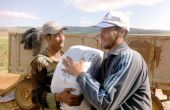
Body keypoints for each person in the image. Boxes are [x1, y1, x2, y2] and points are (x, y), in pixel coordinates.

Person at [63, 12, 152, 110]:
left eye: (106, 30)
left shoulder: (128, 58)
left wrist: (80, 74)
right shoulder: (109, 56)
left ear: (122, 32)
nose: (101, 34)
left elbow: (105, 102)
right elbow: (99, 88)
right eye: (101, 30)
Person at [31, 21, 82, 110]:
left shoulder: (65, 56)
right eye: (57, 35)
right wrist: (59, 97)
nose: (62, 39)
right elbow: (36, 96)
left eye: (62, 34)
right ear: (47, 37)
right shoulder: (39, 62)